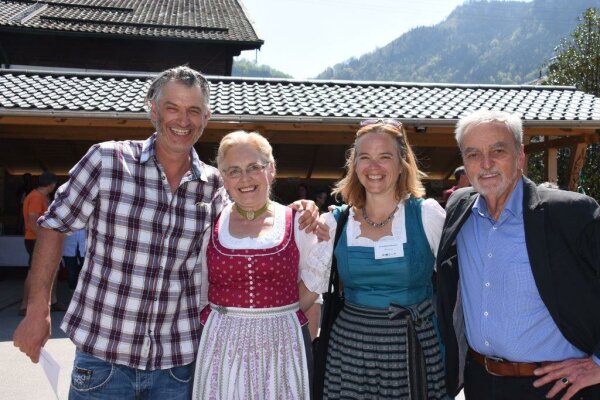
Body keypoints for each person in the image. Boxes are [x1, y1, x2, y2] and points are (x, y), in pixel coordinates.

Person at [12, 66, 318, 399]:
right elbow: (54, 226)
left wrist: (302, 209)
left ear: (206, 118)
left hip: (176, 365)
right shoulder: (107, 161)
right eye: (172, 107)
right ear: (154, 108)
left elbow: (255, 209)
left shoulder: (216, 186)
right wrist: (38, 311)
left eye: (194, 111)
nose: (182, 120)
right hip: (103, 358)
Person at [436, 109, 600, 400]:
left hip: (556, 387)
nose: (485, 164)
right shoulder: (459, 210)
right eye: (473, 154)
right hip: (479, 383)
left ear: (520, 156)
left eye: (497, 150)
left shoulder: (571, 213)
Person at [312, 119, 447, 399]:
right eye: (365, 157)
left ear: (402, 164)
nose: (374, 167)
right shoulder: (335, 223)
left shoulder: (427, 216)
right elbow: (309, 287)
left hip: (412, 344)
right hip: (351, 349)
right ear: (355, 165)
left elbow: (460, 283)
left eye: (385, 157)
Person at [19, 171, 65, 316]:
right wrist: (44, 240)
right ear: (52, 184)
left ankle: (52, 301)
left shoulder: (42, 196)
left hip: (41, 239)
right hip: (36, 239)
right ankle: (24, 305)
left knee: (53, 270)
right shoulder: (36, 197)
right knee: (33, 272)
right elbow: (32, 221)